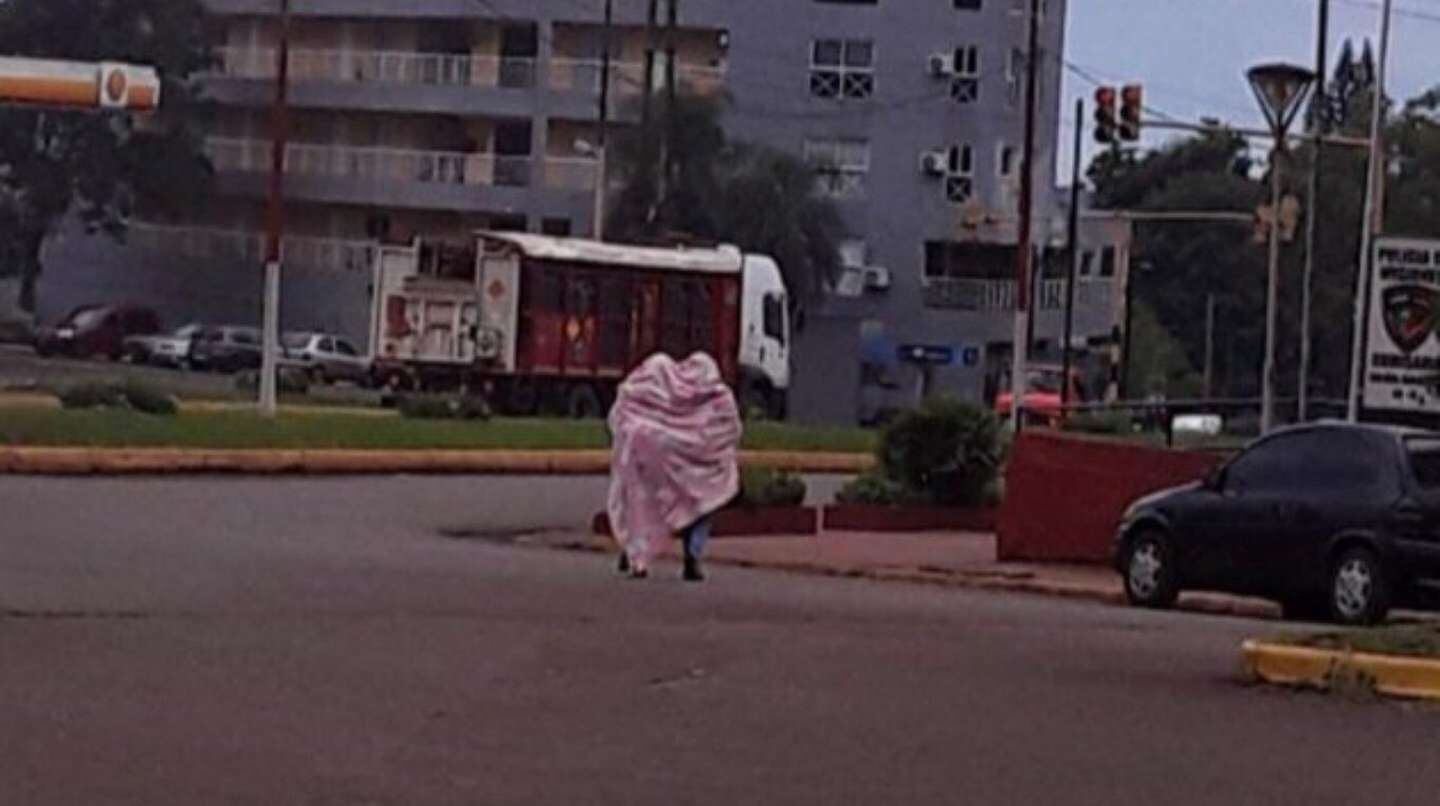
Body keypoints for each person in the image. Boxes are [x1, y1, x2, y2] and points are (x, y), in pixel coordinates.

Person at [606, 352, 742, 581]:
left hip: (650, 458)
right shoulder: (718, 398)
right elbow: (731, 431)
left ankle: (634, 553)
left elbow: (624, 409)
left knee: (639, 503)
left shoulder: (650, 388)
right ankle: (692, 556)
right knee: (701, 504)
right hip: (697, 471)